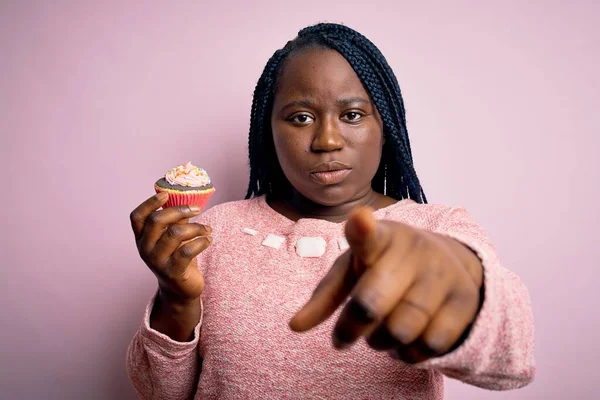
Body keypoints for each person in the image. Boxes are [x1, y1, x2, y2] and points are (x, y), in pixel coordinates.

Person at [126, 23, 535, 399]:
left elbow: (510, 361)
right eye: (300, 117)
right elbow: (161, 394)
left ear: (386, 127)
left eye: (352, 115)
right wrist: (176, 300)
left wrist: (454, 278)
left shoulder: (438, 229)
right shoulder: (214, 231)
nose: (326, 140)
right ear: (268, 131)